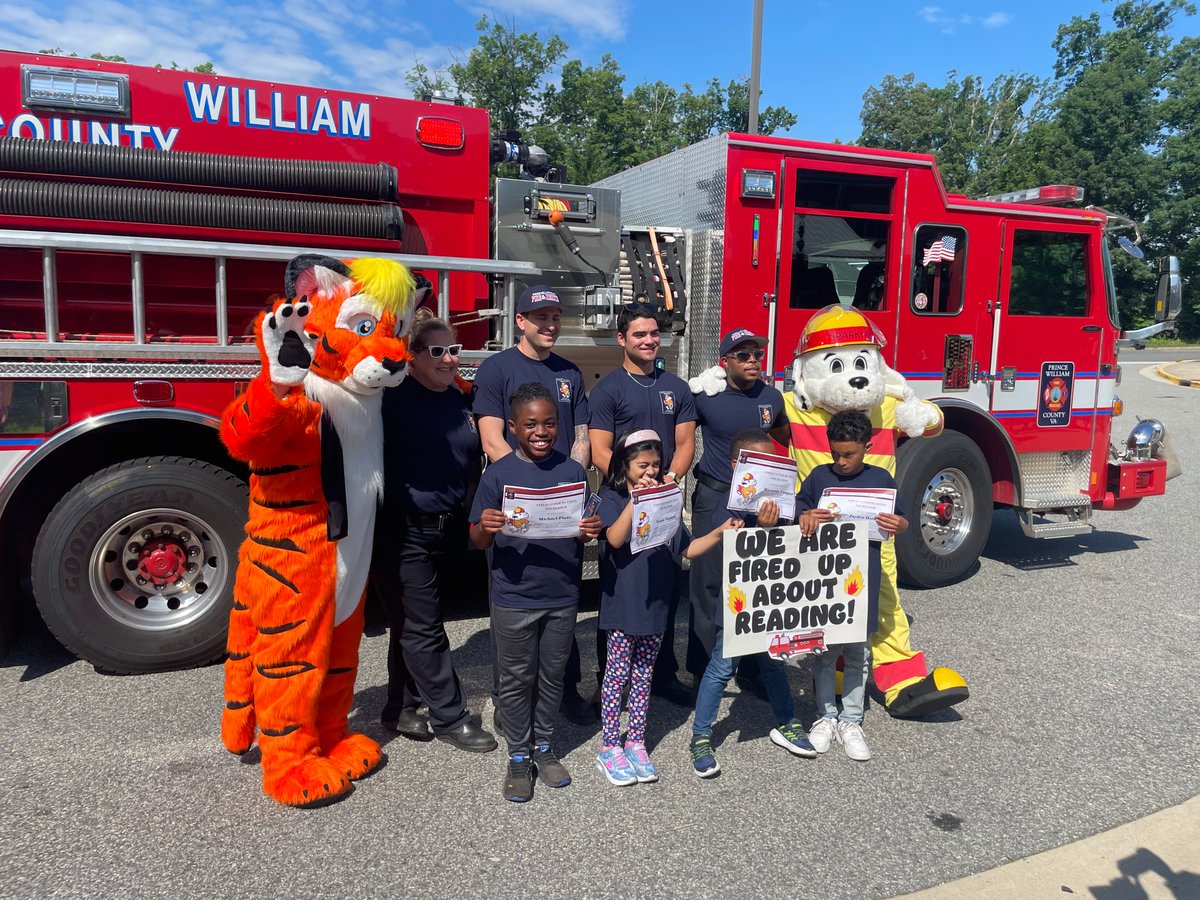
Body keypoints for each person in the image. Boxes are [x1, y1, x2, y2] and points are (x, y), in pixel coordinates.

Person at [469, 382, 603, 803]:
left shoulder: (573, 472)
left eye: (549, 423)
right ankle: (518, 754)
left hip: (562, 593)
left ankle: (544, 747)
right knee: (515, 679)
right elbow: (477, 541)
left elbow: (580, 532)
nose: (541, 431)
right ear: (512, 428)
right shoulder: (499, 474)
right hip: (513, 596)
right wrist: (484, 526)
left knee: (552, 676)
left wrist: (589, 532)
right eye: (530, 424)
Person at [375, 311, 496, 752]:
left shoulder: (458, 400)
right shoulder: (389, 400)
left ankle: (398, 707)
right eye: (438, 351)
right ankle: (451, 717)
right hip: (401, 533)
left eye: (454, 350)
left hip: (447, 532)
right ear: (412, 357)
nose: (449, 360)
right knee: (424, 627)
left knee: (412, 623)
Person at [472, 284, 593, 722]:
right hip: (517, 511)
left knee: (563, 603)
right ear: (520, 321)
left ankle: (566, 693)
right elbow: (491, 438)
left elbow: (581, 438)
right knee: (513, 614)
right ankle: (510, 703)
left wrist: (567, 490)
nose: (550, 325)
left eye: (556, 316)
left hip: (561, 510)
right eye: (540, 318)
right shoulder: (496, 369)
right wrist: (531, 490)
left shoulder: (570, 373)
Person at [593, 428, 738, 786]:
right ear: (624, 465)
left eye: (656, 465)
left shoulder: (667, 497)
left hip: (656, 604)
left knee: (644, 675)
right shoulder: (611, 497)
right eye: (643, 465)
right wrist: (636, 501)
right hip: (624, 604)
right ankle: (610, 745)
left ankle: (637, 741)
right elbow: (613, 538)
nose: (651, 472)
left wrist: (719, 532)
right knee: (617, 676)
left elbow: (686, 549)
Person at [688, 429, 816, 778]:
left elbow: (798, 527)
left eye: (772, 462)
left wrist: (803, 518)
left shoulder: (782, 501)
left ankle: (787, 722)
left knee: (774, 662)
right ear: (737, 466)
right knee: (721, 668)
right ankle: (701, 736)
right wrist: (759, 526)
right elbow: (723, 541)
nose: (768, 470)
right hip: (739, 603)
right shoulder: (728, 503)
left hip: (772, 602)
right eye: (758, 464)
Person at [588, 302, 698, 705]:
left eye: (654, 333)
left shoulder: (677, 389)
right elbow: (600, 450)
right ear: (622, 339)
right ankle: (609, 681)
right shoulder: (608, 390)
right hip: (622, 503)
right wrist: (632, 484)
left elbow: (685, 443)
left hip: (663, 501)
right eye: (639, 334)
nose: (649, 340)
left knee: (663, 588)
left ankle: (663, 675)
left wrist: (666, 482)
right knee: (618, 595)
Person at [797, 410, 908, 762]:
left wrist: (899, 524)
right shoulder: (818, 477)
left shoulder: (882, 480)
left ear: (868, 447)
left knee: (859, 652)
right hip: (825, 579)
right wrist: (805, 516)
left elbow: (901, 519)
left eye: (850, 454)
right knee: (826, 650)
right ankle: (826, 716)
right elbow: (798, 510)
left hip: (864, 578)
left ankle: (852, 719)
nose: (842, 462)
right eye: (836, 454)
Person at [687, 329, 790, 686]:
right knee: (708, 584)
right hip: (715, 497)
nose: (752, 361)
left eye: (757, 355)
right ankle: (703, 671)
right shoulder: (705, 397)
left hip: (760, 505)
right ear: (724, 362)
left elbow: (788, 437)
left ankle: (751, 670)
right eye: (743, 356)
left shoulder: (773, 398)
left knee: (755, 583)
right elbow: (680, 437)